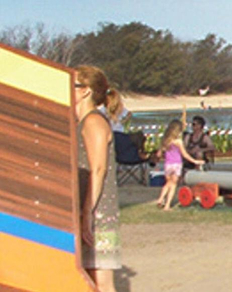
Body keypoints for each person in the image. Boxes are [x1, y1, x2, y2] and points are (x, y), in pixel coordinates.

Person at [74, 65, 121, 292]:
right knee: (88, 280)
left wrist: (87, 214)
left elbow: (99, 169)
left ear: (85, 91)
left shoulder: (93, 122)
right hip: (89, 211)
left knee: (101, 282)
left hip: (98, 214)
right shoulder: (81, 123)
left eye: (71, 85)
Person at [155, 119, 205, 210]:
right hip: (177, 164)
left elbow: (158, 154)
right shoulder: (178, 142)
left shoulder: (165, 141)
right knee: (173, 184)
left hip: (168, 164)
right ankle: (167, 205)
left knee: (167, 183)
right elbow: (184, 154)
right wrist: (195, 161)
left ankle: (160, 198)